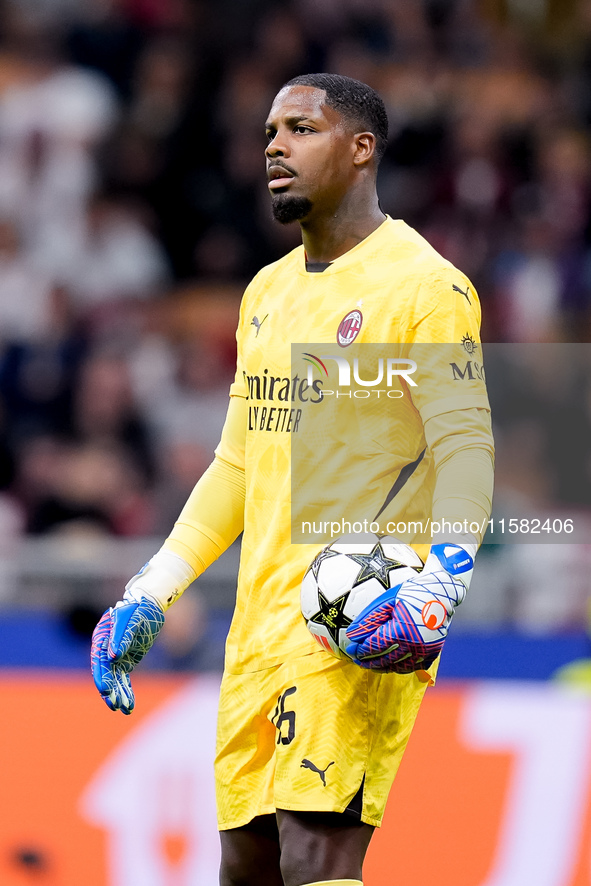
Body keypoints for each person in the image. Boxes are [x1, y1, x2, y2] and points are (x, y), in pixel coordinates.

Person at [91, 73, 494, 886]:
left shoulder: (423, 287)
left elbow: (464, 448)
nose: (273, 145)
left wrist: (441, 580)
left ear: (359, 149)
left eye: (300, 129)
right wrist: (153, 587)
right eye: (269, 131)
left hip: (355, 617)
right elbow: (239, 460)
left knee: (314, 856)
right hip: (258, 627)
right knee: (246, 866)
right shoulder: (266, 294)